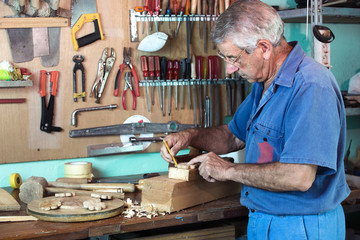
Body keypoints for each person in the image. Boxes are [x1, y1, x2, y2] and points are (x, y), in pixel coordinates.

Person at [160, 0, 350, 239]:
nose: (231, 68)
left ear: (264, 47)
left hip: (302, 226)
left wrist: (227, 170)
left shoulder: (310, 85)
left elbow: (299, 176)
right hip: (266, 220)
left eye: (234, 58)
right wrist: (189, 136)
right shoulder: (265, 82)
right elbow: (232, 136)